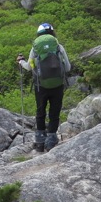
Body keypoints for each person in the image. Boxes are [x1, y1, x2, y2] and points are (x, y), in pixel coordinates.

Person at [17, 23, 71, 152]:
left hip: (40, 86)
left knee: (40, 111)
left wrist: (21, 61)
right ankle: (51, 139)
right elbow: (68, 68)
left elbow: (29, 67)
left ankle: (40, 141)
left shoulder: (35, 49)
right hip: (58, 85)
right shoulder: (59, 47)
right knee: (54, 111)